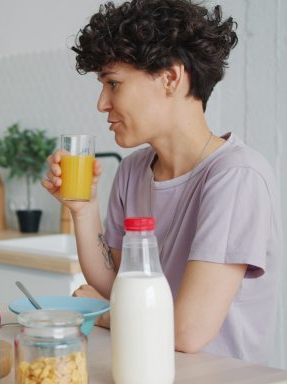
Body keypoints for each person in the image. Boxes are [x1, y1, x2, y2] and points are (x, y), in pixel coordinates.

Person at [42, 0, 282, 364]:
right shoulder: (134, 171)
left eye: (113, 83)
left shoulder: (237, 177)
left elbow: (187, 331)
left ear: (170, 78)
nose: (101, 103)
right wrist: (83, 209)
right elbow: (118, 284)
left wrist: (101, 312)